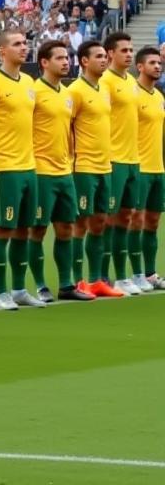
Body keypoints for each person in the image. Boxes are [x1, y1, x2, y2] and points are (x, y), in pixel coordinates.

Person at [0, 30, 42, 310]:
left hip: (29, 166)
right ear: (2, 51)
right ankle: (1, 292)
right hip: (4, 167)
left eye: (25, 43)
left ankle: (18, 289)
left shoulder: (28, 82)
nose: (24, 48)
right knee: (2, 230)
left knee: (24, 230)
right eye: (17, 44)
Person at [29, 40, 92, 302]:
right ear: (44, 62)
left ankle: (66, 285)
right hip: (40, 171)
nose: (66, 62)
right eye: (60, 58)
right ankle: (40, 285)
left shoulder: (66, 94)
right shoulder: (33, 92)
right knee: (38, 230)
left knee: (66, 228)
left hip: (64, 172)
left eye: (68, 58)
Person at [67, 40, 121, 298]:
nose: (104, 60)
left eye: (104, 56)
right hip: (83, 166)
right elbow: (66, 127)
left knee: (101, 221)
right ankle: (77, 281)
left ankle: (98, 278)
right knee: (81, 223)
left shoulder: (103, 90)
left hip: (105, 165)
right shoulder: (75, 91)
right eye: (98, 56)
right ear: (84, 61)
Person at [101, 32, 143, 295]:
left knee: (127, 218)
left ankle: (122, 276)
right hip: (113, 159)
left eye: (131, 49)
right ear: (110, 54)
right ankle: (102, 276)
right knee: (108, 219)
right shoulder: (105, 82)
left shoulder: (132, 82)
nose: (128, 53)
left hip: (133, 159)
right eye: (124, 50)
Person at [134, 46, 165, 290]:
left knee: (153, 222)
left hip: (157, 168)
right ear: (140, 66)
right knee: (133, 221)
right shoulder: (131, 94)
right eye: (152, 63)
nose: (158, 66)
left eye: (159, 62)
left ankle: (150, 273)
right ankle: (131, 275)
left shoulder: (159, 97)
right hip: (138, 167)